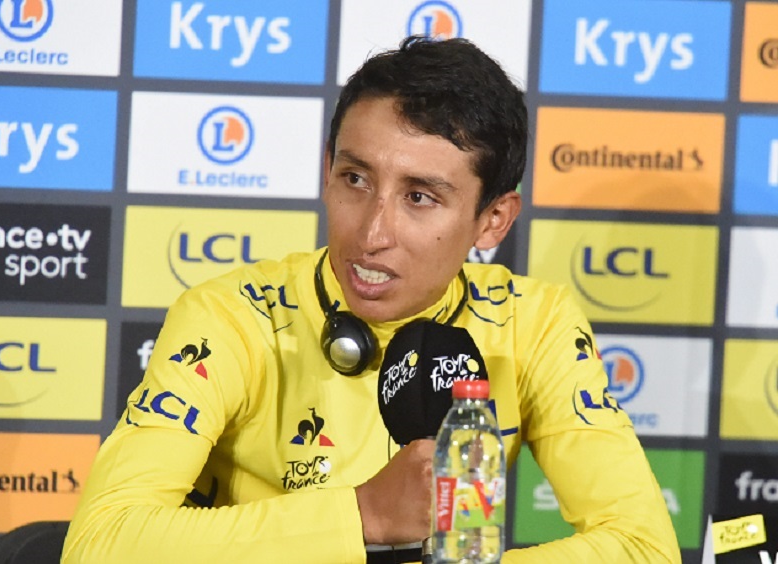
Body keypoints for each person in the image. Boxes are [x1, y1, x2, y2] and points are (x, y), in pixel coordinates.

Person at [62, 37, 681, 563]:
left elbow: (642, 546)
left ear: (493, 219)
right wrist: (364, 515)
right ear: (327, 170)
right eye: (355, 179)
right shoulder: (231, 317)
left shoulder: (533, 324)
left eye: (420, 197)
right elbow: (99, 544)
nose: (372, 233)